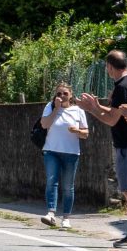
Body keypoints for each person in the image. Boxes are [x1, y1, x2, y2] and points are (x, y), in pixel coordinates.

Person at [77, 49, 127, 247]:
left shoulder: (122, 87)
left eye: (106, 67)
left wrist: (91, 109)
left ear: (110, 67)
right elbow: (117, 113)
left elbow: (112, 120)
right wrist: (97, 105)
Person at [40, 82, 88, 229]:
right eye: (59, 94)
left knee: (68, 186)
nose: (62, 96)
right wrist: (56, 109)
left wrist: (77, 131)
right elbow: (44, 124)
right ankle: (51, 213)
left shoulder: (78, 111)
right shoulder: (50, 106)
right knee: (51, 181)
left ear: (71, 95)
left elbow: (85, 134)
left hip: (71, 153)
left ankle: (66, 217)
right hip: (51, 151)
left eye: (65, 93)